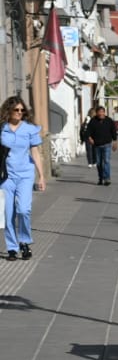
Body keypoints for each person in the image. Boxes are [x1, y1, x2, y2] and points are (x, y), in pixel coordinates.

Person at [1, 97, 46, 261]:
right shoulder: (2, 128)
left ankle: (24, 242)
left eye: (22, 110)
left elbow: (35, 152)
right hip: (6, 176)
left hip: (25, 175)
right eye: (16, 110)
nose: (20, 113)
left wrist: (41, 176)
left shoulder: (29, 129)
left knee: (23, 210)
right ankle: (12, 248)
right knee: (8, 213)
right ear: (9, 110)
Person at [84, 104, 118, 186]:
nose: (101, 114)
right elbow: (87, 132)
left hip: (107, 144)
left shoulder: (109, 121)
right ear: (96, 113)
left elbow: (113, 132)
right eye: (99, 112)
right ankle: (101, 178)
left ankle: (107, 178)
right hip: (97, 145)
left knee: (106, 161)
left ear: (104, 113)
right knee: (99, 163)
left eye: (102, 112)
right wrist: (90, 138)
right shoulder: (93, 121)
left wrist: (115, 142)